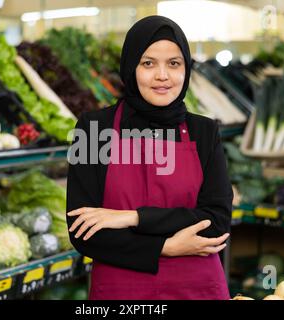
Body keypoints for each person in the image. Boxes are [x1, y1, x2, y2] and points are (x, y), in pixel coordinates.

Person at [66, 15, 233, 300]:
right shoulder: (94, 129)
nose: (162, 76)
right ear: (131, 67)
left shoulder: (204, 131)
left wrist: (130, 218)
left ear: (186, 69)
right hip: (122, 293)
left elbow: (216, 221)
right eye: (148, 63)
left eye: (174, 63)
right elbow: (83, 231)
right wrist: (165, 247)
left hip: (197, 289)